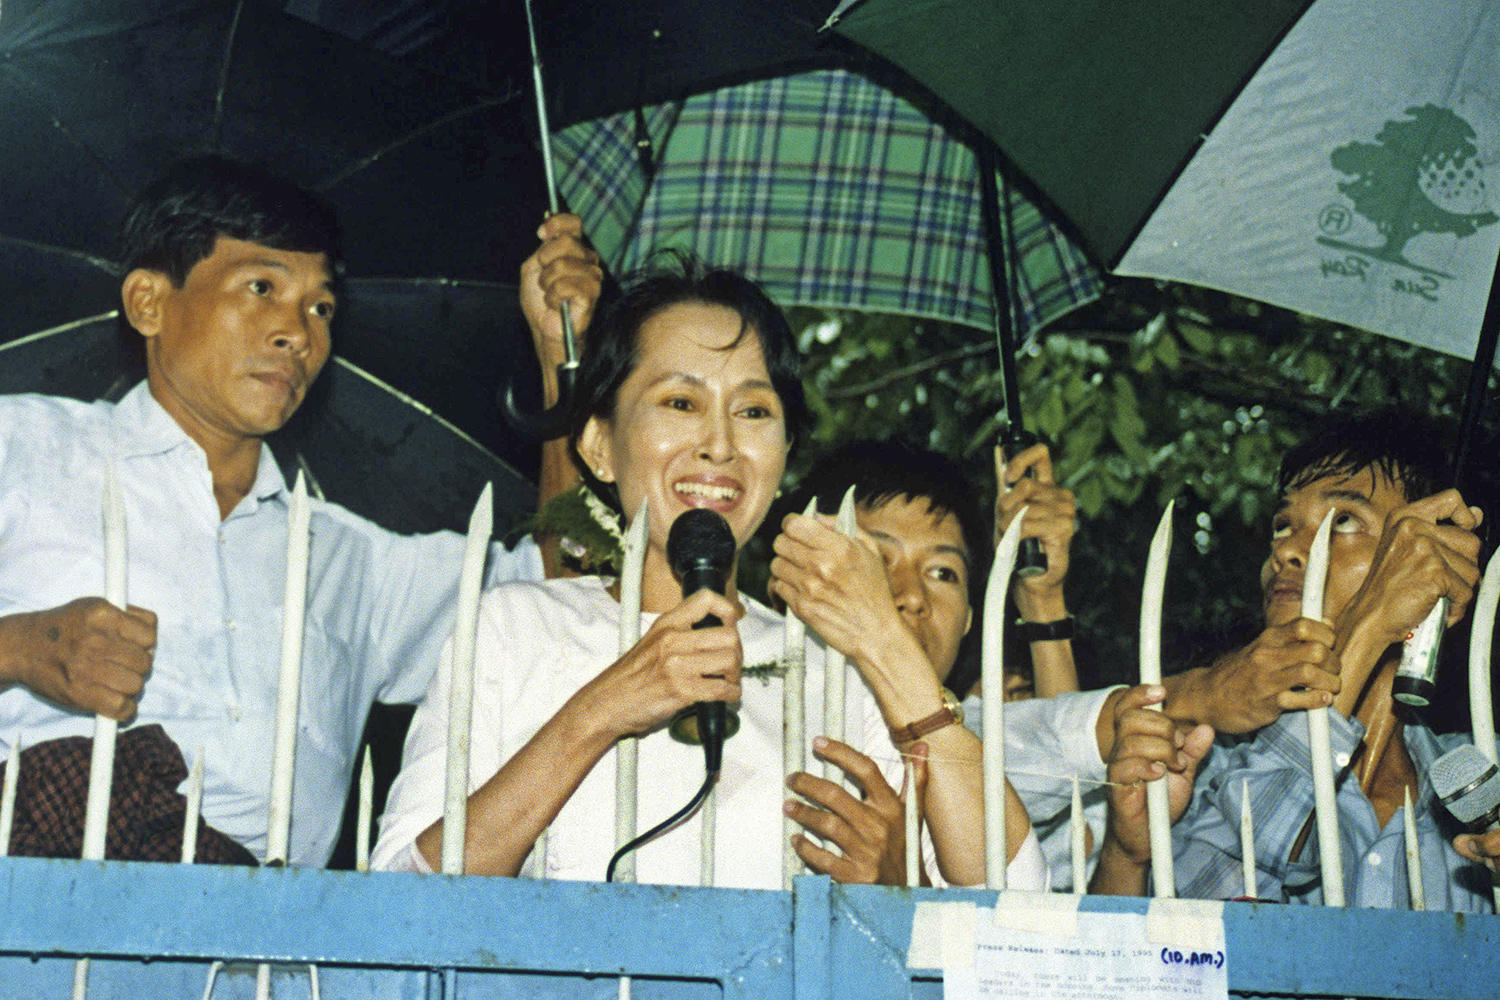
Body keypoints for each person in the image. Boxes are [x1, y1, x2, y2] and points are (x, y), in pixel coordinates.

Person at [0, 156, 600, 865]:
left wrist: (560, 353)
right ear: (149, 303)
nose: (300, 332)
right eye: (262, 287)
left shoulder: (349, 560)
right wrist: (21, 646)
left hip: (265, 959)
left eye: (321, 307)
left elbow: (561, 586)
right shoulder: (23, 445)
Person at [372, 262, 1045, 889]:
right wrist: (598, 713)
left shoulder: (837, 671)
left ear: (783, 452)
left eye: (754, 412)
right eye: (679, 403)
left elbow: (1020, 901)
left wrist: (895, 891)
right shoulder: (515, 626)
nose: (720, 445)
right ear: (600, 446)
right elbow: (397, 898)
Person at [1092, 411, 1491, 910]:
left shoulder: (1480, 778)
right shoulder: (1197, 759)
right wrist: (1366, 627)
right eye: (1283, 526)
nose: (1288, 551)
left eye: (1343, 520)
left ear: (1437, 563)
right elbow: (1210, 938)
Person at [774, 438, 1112, 890]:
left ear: (971, 620)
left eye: (942, 573)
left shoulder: (963, 751)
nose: (911, 595)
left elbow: (1024, 900)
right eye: (876, 560)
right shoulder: (740, 697)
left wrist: (1042, 597)